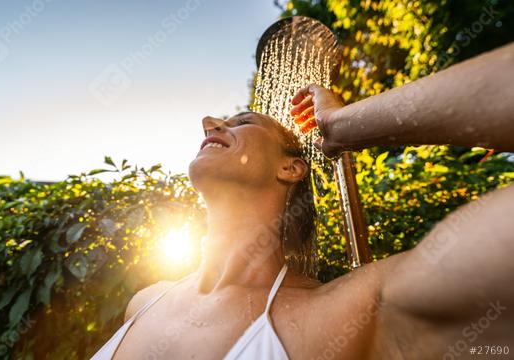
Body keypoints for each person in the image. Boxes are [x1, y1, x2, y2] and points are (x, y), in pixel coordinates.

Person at [91, 42, 514, 360]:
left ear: (291, 168)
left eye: (244, 121)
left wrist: (342, 125)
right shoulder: (145, 301)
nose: (209, 122)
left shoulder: (343, 315)